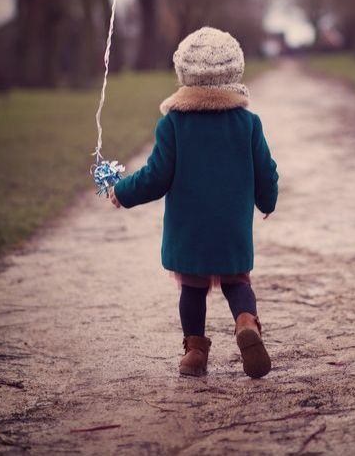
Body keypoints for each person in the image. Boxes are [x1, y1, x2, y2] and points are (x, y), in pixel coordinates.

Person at [109, 26, 279, 379]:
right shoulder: (248, 123)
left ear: (184, 73)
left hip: (190, 229)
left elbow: (156, 177)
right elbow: (266, 170)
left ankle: (195, 352)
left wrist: (123, 192)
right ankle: (246, 322)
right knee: (237, 282)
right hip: (230, 227)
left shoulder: (174, 125)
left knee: (193, 288)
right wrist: (267, 201)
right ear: (235, 71)